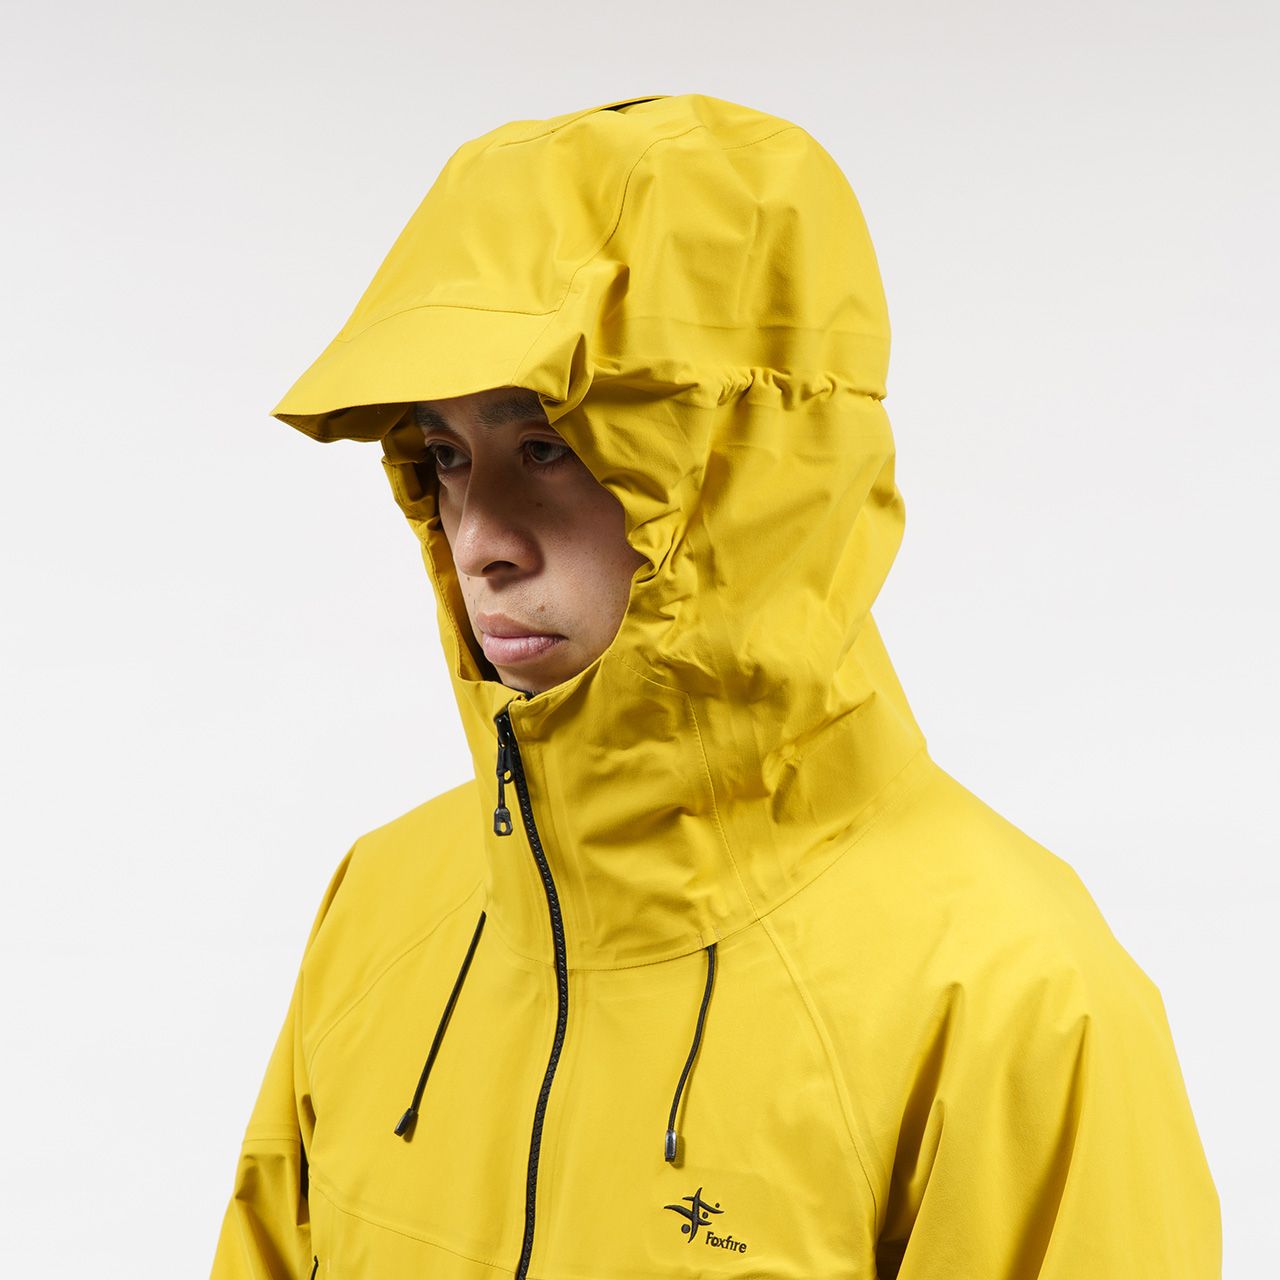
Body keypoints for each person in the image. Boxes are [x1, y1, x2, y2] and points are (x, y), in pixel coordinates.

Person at [210, 93, 1221, 1278]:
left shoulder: (1008, 993)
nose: (478, 537)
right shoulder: (383, 902)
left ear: (742, 467)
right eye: (444, 455)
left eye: (548, 445)